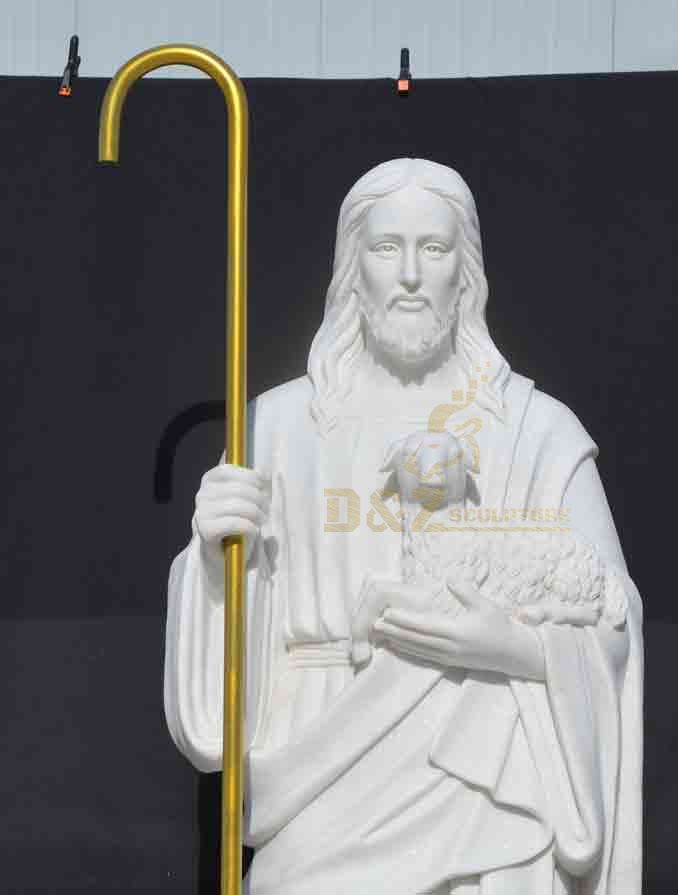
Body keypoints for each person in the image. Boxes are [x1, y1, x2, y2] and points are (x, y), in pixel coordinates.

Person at [164, 158, 644, 894]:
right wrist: (212, 566)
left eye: (436, 248)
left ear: (467, 273)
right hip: (320, 771)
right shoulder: (275, 426)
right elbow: (215, 719)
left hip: (486, 787)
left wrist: (514, 646)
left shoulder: (536, 432)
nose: (412, 273)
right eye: (388, 249)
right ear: (353, 271)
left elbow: (613, 620)